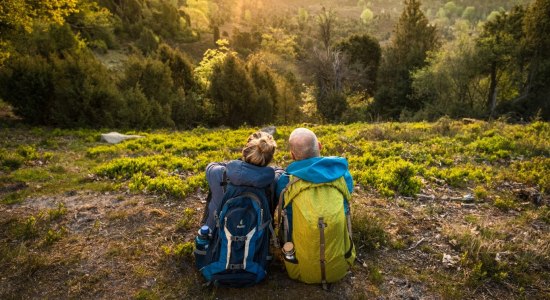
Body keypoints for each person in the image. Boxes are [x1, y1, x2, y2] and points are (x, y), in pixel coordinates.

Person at [202, 131, 279, 229]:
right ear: (269, 158)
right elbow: (279, 170)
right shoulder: (274, 179)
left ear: (244, 151)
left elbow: (211, 165)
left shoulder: (218, 173)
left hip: (217, 237)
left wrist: (234, 164)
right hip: (257, 240)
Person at [276, 127, 353, 201]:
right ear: (320, 146)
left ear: (292, 155)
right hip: (338, 214)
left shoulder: (286, 179)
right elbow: (348, 194)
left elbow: (282, 202)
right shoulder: (341, 172)